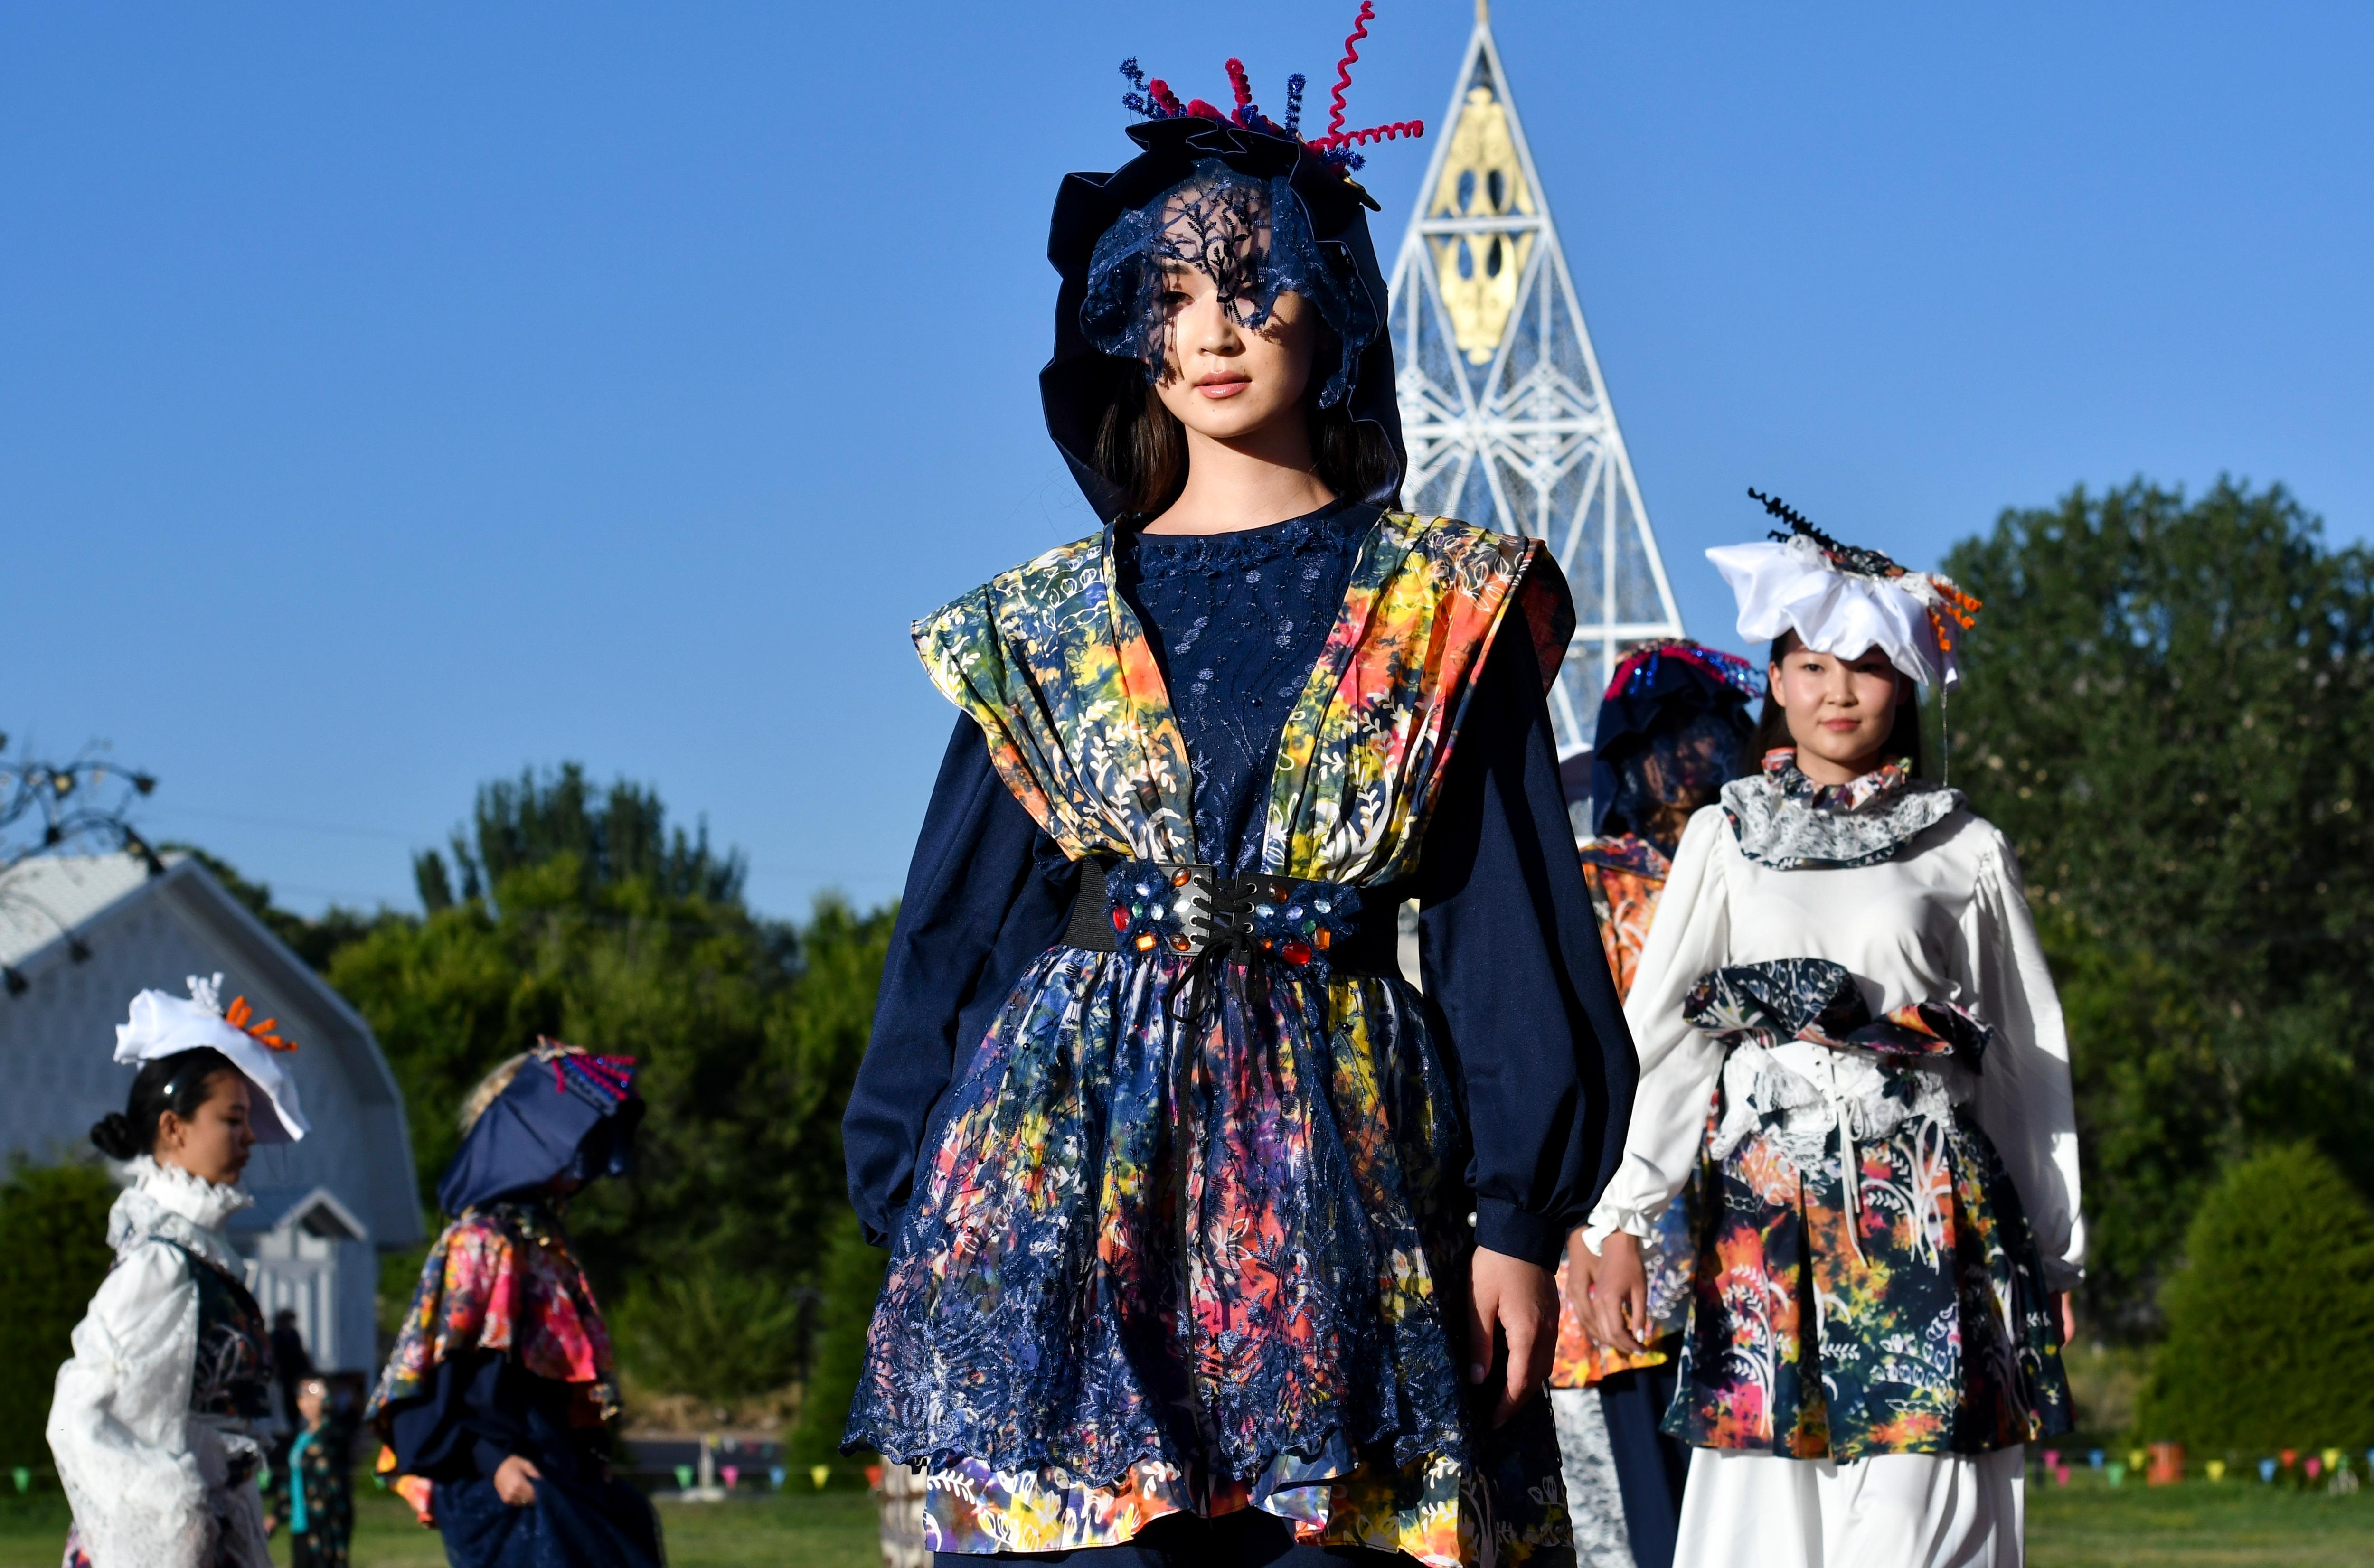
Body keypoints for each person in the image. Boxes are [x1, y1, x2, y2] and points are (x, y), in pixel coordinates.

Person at [841, 22, 1635, 1568]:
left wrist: (1520, 1217)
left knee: (1335, 1544)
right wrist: (916, 1183)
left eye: (1251, 286)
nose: (1213, 331)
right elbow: (954, 934)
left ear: (1328, 307)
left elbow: (1507, 926)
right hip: (1060, 1182)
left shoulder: (1445, 604)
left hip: (1344, 1175)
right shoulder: (1046, 623)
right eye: (1172, 295)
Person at [1585, 494, 2080, 1567]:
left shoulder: (1966, 847)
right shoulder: (1724, 834)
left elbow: (2028, 1061)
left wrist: (2056, 1250)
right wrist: (1621, 1214)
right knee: (1768, 1510)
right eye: (1810, 662)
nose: (1837, 688)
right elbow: (1665, 1035)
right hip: (1765, 1199)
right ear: (1773, 678)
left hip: (1928, 1202)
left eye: (1865, 664)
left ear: (1903, 685)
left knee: (1922, 1503)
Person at [1550, 641, 1757, 1568]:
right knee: (1635, 1525)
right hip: (1621, 1241)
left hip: (1756, 1248)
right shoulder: (1590, 886)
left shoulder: (1762, 878)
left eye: (1712, 734)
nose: (1697, 759)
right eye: (1673, 739)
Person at [49, 974, 312, 1568]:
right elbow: (77, 1415)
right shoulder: (161, 1266)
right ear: (174, 1127)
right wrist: (172, 1510)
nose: (249, 1138)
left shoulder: (198, 1257)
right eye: (233, 1119)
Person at [367, 1041, 661, 1568]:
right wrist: (493, 1460)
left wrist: (589, 1456)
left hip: (554, 1472)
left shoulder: (542, 1242)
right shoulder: (480, 1242)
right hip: (503, 1487)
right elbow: (437, 1393)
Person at [267, 1376, 355, 1568]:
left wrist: (326, 1398)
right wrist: (276, 1514)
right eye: (303, 1396)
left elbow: (339, 1432)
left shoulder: (333, 1432)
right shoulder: (302, 1437)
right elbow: (291, 1478)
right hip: (301, 1521)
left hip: (328, 1520)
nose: (307, 1402)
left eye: (313, 1395)